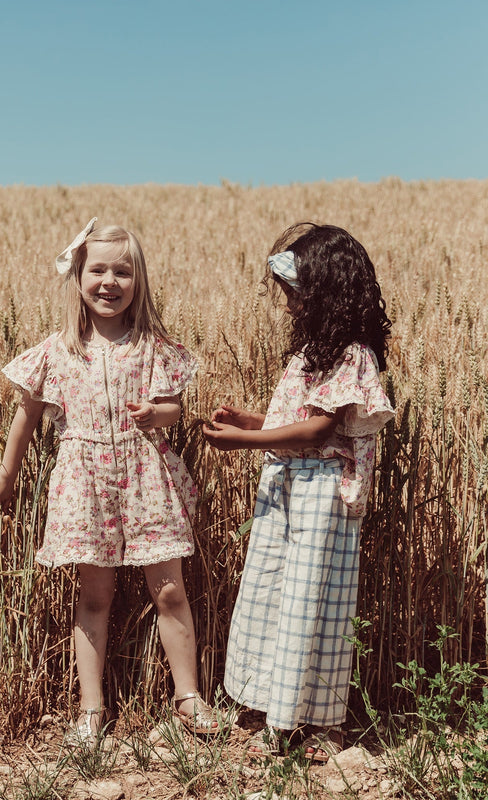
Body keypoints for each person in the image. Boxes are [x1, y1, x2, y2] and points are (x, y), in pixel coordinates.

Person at [0, 218, 219, 744]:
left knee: (171, 590)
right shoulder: (56, 351)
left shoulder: (154, 344)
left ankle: (188, 698)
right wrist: (6, 473)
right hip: (84, 482)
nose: (110, 282)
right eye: (98, 270)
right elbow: (28, 415)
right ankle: (91, 708)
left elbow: (176, 405)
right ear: (78, 277)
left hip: (146, 475)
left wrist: (161, 413)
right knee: (93, 596)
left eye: (123, 272)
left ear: (139, 281)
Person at [203, 223, 394, 763]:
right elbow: (295, 422)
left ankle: (315, 721)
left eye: (296, 293)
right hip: (288, 488)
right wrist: (249, 420)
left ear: (329, 290)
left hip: (320, 494)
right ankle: (275, 708)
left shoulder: (353, 354)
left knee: (312, 601)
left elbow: (319, 432)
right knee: (276, 595)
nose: (289, 305)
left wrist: (246, 441)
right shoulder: (312, 351)